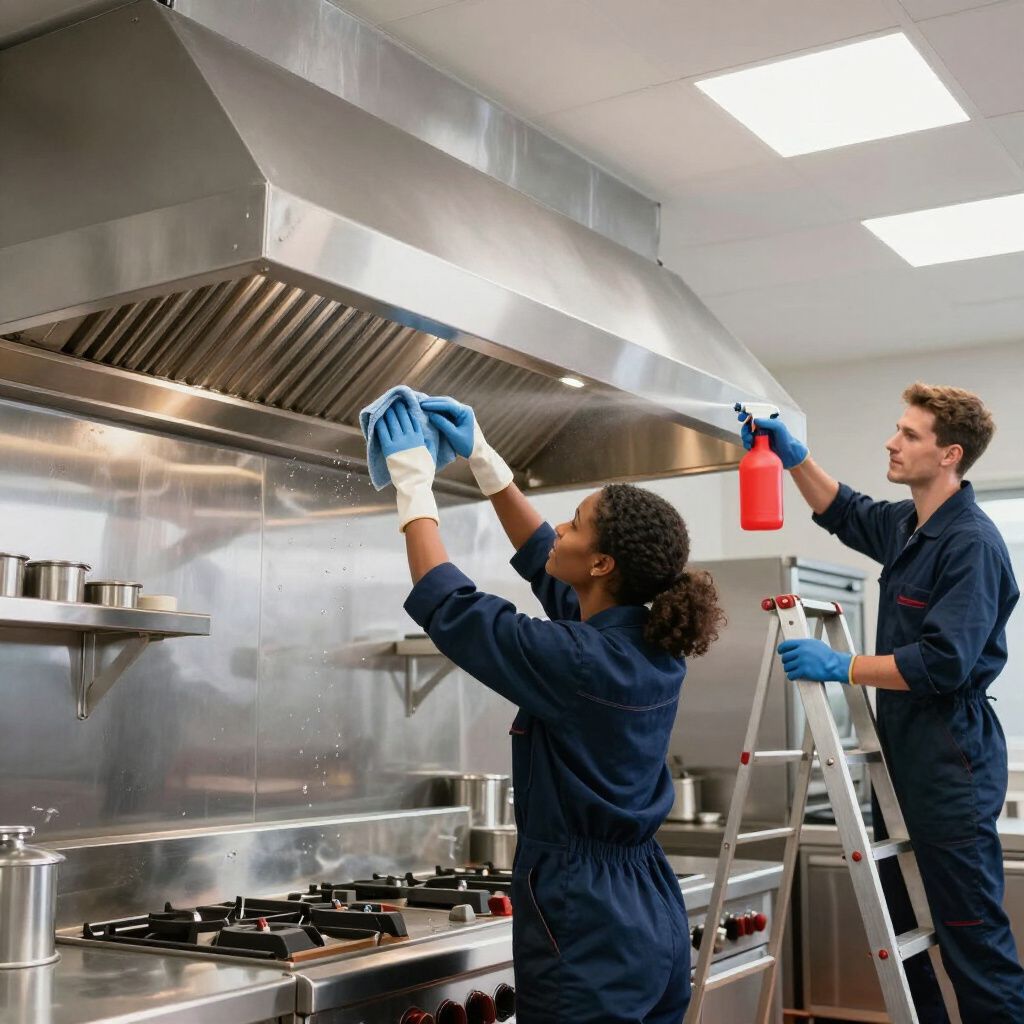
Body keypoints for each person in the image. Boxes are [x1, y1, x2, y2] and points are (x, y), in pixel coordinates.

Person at [373, 394, 725, 1024]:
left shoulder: (580, 662)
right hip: (650, 908)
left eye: (575, 523)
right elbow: (546, 560)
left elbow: (451, 607)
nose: (559, 528)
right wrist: (486, 463)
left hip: (587, 917)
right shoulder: (644, 640)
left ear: (601, 563)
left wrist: (413, 484)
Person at [739, 383, 1024, 1023]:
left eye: (910, 434)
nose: (892, 442)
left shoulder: (971, 544)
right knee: (903, 935)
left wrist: (842, 666)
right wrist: (792, 457)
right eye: (898, 429)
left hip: (948, 759)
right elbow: (845, 511)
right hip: (898, 761)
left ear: (949, 454)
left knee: (972, 941)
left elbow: (944, 662)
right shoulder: (908, 525)